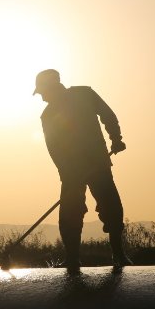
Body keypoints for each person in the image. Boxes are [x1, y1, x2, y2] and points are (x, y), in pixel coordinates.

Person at [33, 69, 132, 272]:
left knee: (112, 208)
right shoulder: (48, 115)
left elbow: (107, 115)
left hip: (98, 165)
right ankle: (72, 258)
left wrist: (116, 138)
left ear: (52, 88)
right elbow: (54, 150)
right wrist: (68, 173)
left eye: (42, 92)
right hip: (72, 173)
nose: (41, 97)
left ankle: (119, 254)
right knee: (70, 213)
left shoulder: (84, 94)